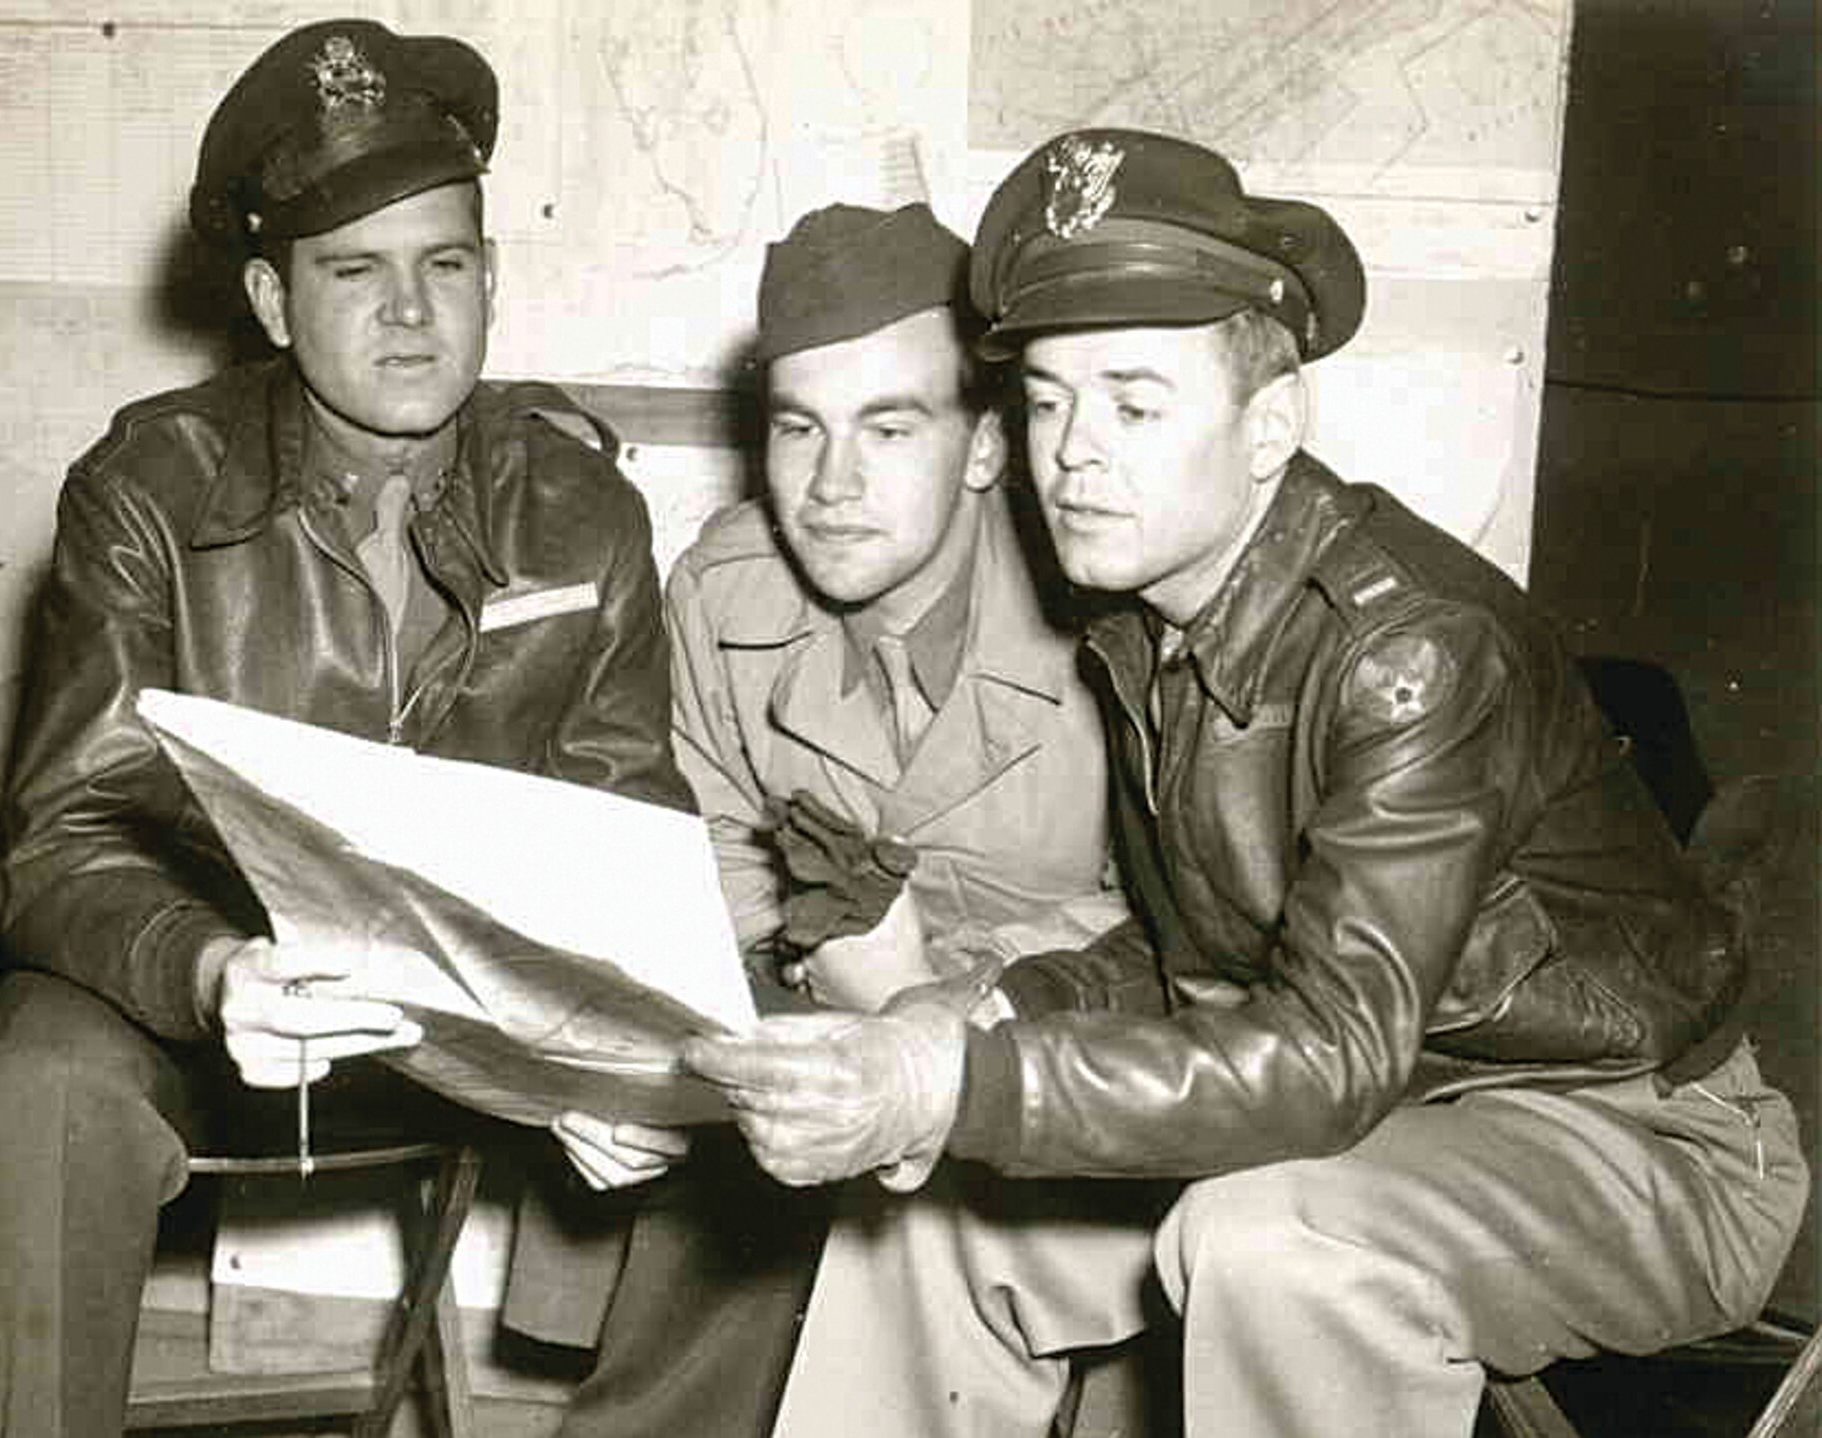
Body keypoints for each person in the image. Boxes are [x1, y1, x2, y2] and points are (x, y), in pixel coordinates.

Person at [683, 130, 1812, 1438]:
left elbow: (1330, 1052)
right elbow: (1190, 958)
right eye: (1047, 401)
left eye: (1136, 402)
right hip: (1370, 1104)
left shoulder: (1408, 649)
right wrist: (961, 1027)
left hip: (1628, 1136)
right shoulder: (1146, 618)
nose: (1074, 455)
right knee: (933, 1201)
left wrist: (966, 1081)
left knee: (1271, 1238)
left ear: (1269, 423)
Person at [0, 20, 691, 1438]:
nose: (412, 313)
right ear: (274, 300)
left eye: (445, 264)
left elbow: (623, 829)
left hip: (455, 1017)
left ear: (490, 278)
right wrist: (211, 969)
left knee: (779, 1093)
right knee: (37, 1110)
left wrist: (591, 1050)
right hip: (190, 988)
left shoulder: (585, 510)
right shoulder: (148, 486)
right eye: (356, 271)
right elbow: (62, 841)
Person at [546, 202, 1140, 1438]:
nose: (829, 486)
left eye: (888, 427)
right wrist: (635, 1050)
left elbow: (1184, 939)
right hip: (826, 1020)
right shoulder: (724, 591)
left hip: (1065, 1051)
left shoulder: (1115, 617)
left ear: (984, 446)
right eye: (798, 428)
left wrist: (935, 1001)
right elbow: (704, 874)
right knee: (732, 1156)